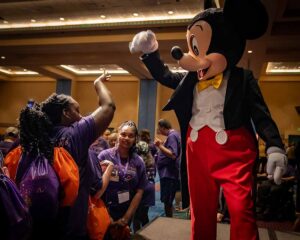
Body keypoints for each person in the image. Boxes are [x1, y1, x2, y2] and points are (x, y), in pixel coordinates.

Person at [16, 72, 115, 240]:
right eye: (77, 110)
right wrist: (98, 83)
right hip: (70, 226)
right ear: (65, 113)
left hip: (35, 224)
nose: (81, 116)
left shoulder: (31, 137)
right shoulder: (74, 135)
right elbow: (108, 106)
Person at [97, 121, 147, 231]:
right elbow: (96, 186)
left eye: (131, 136)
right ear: (118, 134)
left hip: (126, 211)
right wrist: (106, 215)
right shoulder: (104, 156)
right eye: (123, 134)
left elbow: (140, 191)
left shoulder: (138, 161)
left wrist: (126, 218)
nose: (126, 138)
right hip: (104, 210)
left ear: (135, 139)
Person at [155, 119, 181, 217]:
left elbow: (173, 154)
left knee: (168, 202)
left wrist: (160, 146)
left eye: (159, 128)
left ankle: (168, 221)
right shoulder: (174, 135)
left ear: (162, 127)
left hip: (168, 174)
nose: (159, 130)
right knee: (168, 201)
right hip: (169, 173)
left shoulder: (172, 135)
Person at [133, 140, 156, 232]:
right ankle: (146, 232)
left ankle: (137, 235)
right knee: (144, 214)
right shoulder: (151, 159)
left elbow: (135, 178)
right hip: (150, 187)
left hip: (141, 189)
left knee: (136, 215)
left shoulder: (137, 160)